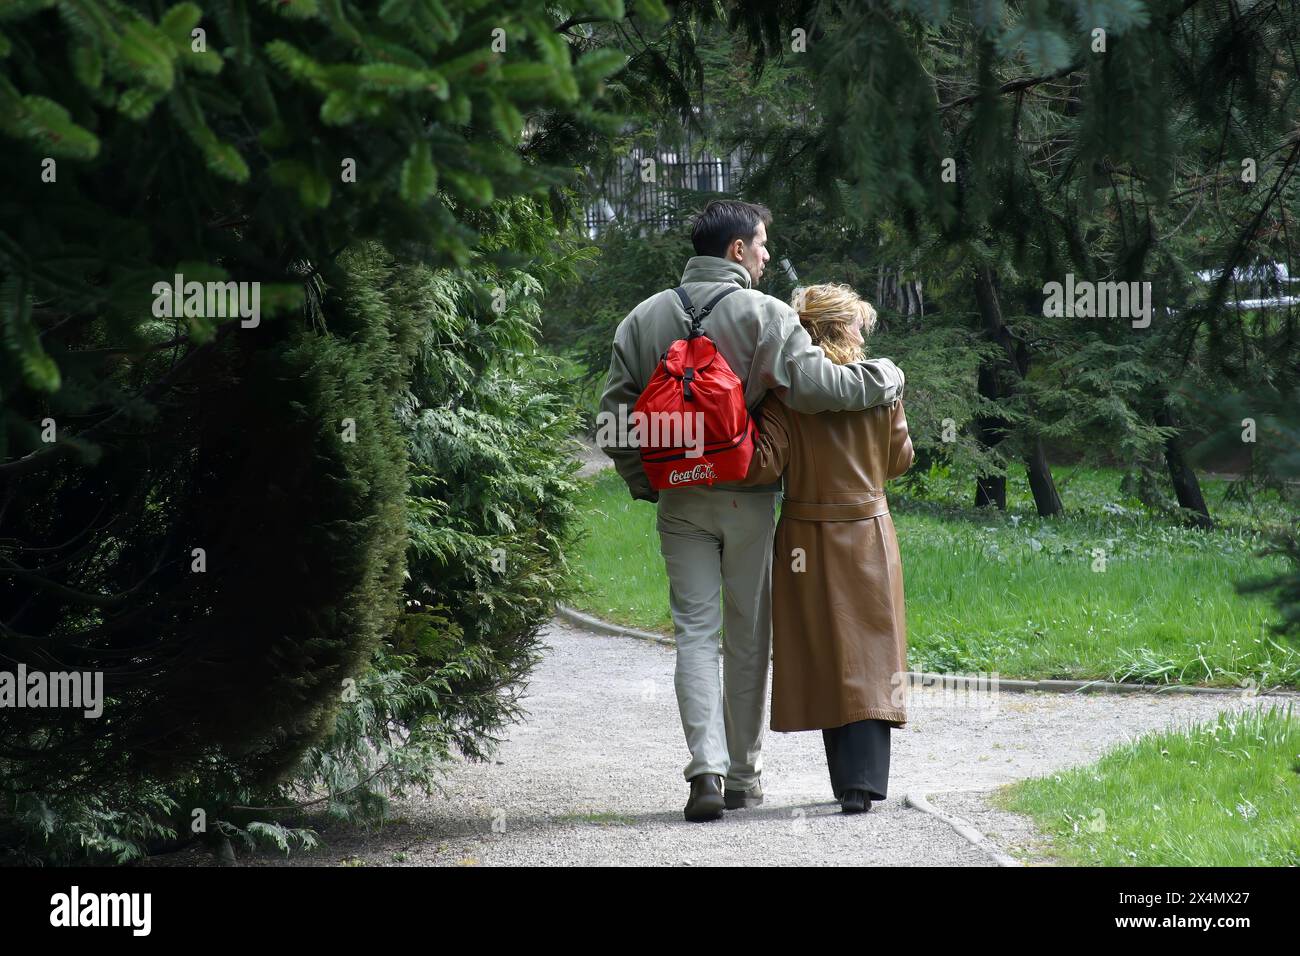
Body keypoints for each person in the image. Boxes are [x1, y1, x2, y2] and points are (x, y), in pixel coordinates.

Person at [598, 200, 906, 822]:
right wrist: (888, 377)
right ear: (737, 250)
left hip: (679, 499)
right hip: (747, 495)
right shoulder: (764, 315)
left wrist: (648, 481)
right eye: (763, 244)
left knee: (692, 633)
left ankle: (702, 772)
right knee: (747, 637)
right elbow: (821, 389)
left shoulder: (642, 318)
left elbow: (613, 420)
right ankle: (743, 776)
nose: (768, 254)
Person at [740, 283, 914, 814]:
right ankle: (862, 783)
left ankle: (847, 782)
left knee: (826, 652)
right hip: (867, 529)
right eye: (860, 323)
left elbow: (763, 464)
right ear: (844, 328)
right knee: (870, 651)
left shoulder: (785, 396)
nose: (864, 332)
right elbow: (899, 459)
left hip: (805, 539)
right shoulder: (881, 389)